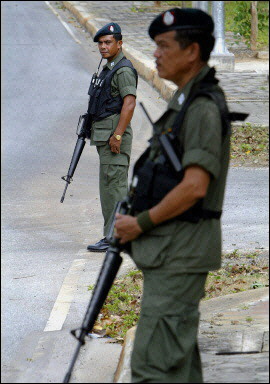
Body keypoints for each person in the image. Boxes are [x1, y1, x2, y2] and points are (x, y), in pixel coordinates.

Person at [114, 8, 247, 383]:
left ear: (192, 52)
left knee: (153, 368)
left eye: (164, 46)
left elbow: (195, 186)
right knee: (179, 367)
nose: (155, 54)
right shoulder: (185, 104)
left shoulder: (202, 107)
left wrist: (139, 224)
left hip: (180, 254)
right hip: (172, 253)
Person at [86, 23, 137, 252]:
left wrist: (117, 134)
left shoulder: (123, 70)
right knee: (109, 189)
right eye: (100, 43)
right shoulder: (109, 68)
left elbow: (130, 102)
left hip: (113, 140)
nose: (103, 47)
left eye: (108, 42)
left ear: (119, 43)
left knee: (114, 189)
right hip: (106, 139)